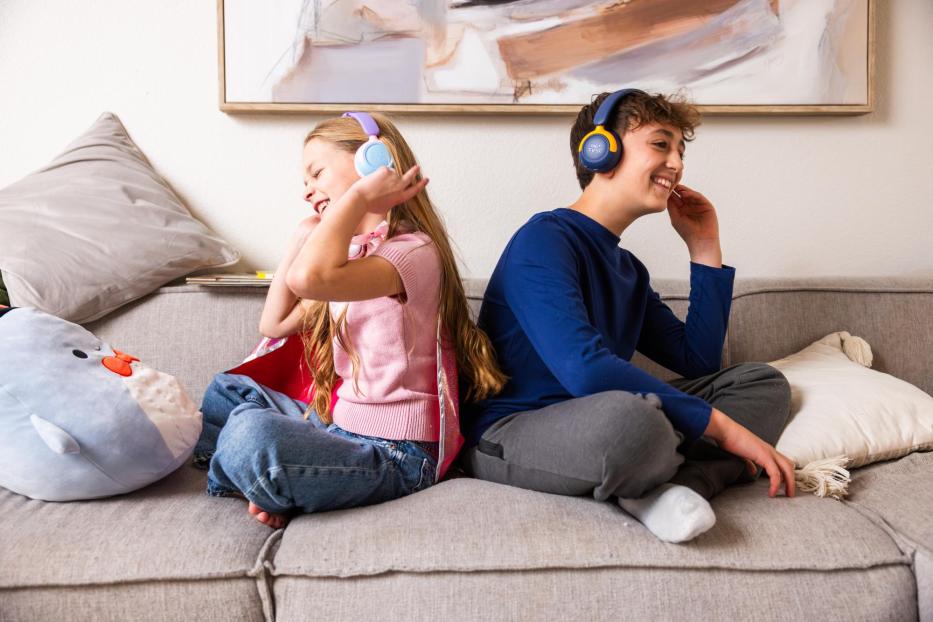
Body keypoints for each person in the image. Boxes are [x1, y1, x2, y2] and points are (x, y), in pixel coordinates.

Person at [461, 89, 796, 543]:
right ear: (600, 150)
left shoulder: (629, 270)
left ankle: (673, 487)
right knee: (633, 422)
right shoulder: (543, 239)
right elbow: (585, 370)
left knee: (762, 383)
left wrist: (704, 248)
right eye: (660, 145)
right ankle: (659, 465)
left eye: (680, 152)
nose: (676, 163)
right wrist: (721, 429)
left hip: (610, 420)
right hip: (515, 432)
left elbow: (698, 362)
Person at [194, 112, 506, 528]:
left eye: (317, 173)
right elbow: (275, 323)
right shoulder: (355, 257)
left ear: (370, 161)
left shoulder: (411, 253)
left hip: (397, 452)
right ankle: (273, 481)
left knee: (250, 434)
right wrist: (302, 235)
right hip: (339, 426)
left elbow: (309, 278)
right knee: (226, 392)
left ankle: (265, 478)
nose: (307, 190)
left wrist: (359, 197)